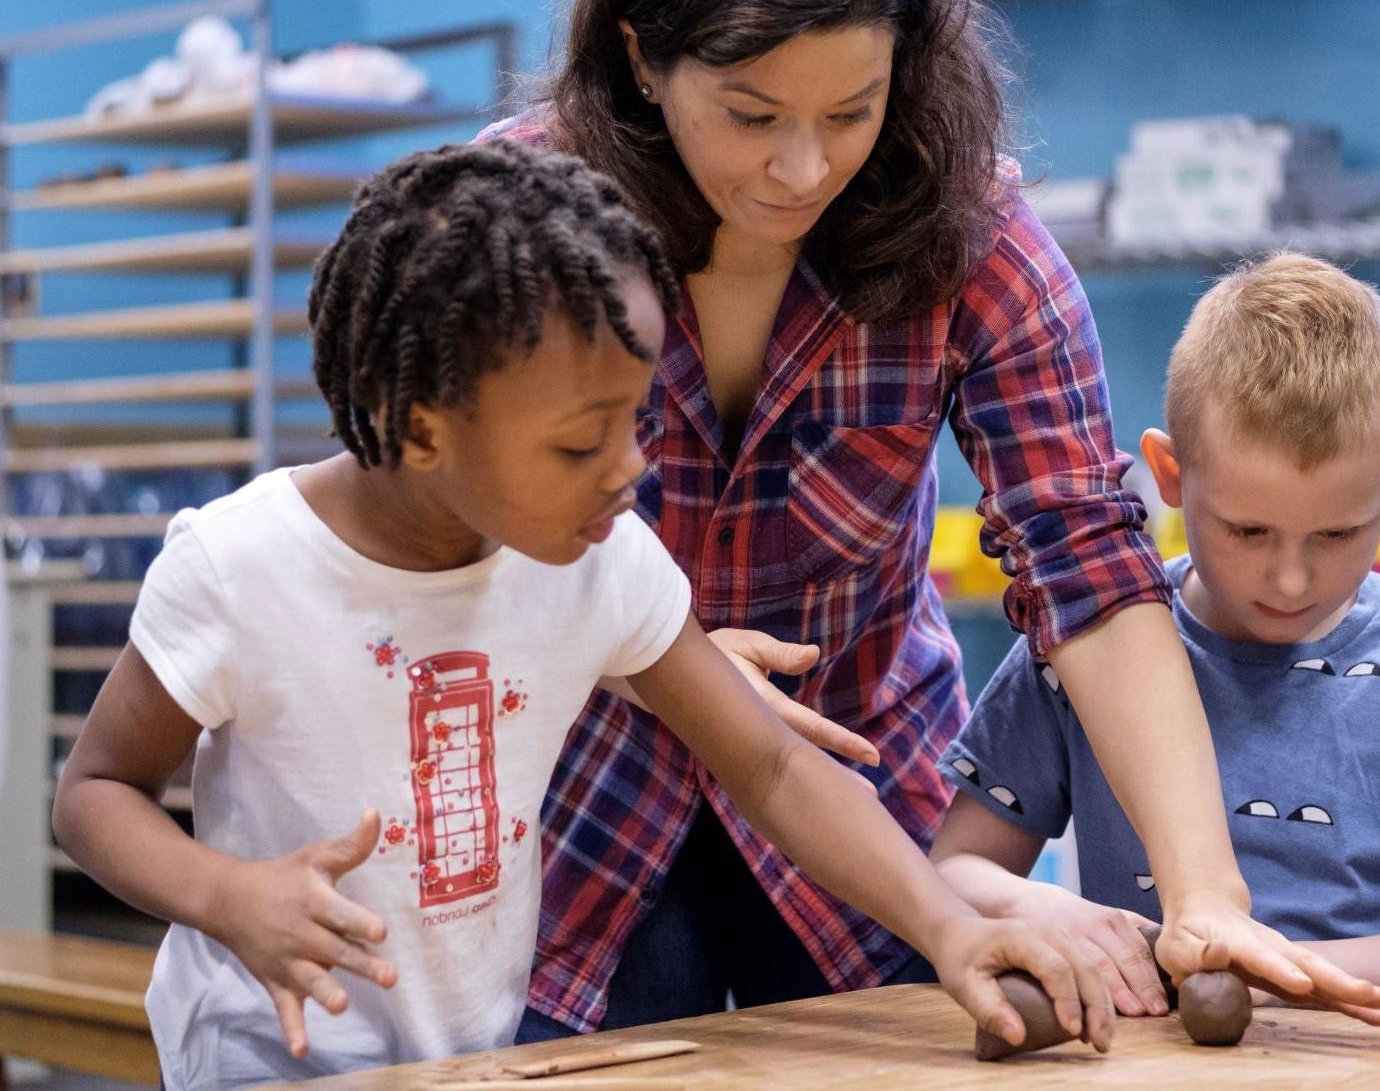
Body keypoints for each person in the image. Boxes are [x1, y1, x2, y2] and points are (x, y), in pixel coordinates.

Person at [482, 0, 1380, 1041]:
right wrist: (652, 658)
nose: (802, 169)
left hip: (857, 810)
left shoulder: (977, 242)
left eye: (850, 110)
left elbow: (1090, 571)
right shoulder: (525, 215)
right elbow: (435, 535)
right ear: (641, 57)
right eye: (751, 115)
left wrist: (1204, 891)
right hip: (576, 804)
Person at [51, 144, 1111, 1088]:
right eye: (578, 443)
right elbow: (96, 793)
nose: (629, 469)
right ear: (422, 429)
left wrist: (949, 927)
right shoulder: (241, 566)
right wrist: (227, 894)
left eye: (635, 420)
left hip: (479, 1051)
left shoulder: (598, 561)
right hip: (266, 1060)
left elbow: (773, 769)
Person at [933, 253, 1380, 1021]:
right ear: (1168, 474)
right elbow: (954, 871)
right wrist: (1050, 914)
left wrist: (1273, 969)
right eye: (1247, 529)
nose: (1292, 580)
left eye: (1339, 533)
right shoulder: (1084, 645)